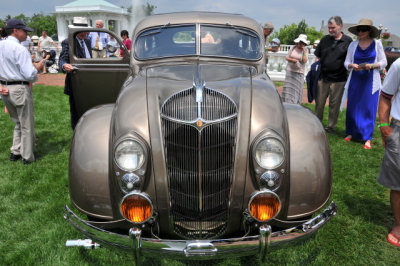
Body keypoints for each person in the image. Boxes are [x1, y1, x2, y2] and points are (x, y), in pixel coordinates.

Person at [0, 19, 44, 164]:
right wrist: (37, 67)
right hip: (19, 87)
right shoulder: (19, 49)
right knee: (26, 124)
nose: (26, 34)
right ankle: (28, 156)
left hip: (5, 88)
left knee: (17, 122)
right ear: (15, 31)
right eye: (24, 30)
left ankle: (16, 152)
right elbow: (29, 74)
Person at [342, 18, 387, 149]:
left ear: (369, 31)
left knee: (368, 108)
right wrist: (351, 65)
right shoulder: (353, 45)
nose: (360, 32)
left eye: (362, 30)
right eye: (358, 30)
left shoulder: (377, 44)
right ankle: (351, 133)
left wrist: (372, 65)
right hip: (355, 79)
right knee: (353, 106)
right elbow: (346, 63)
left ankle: (367, 138)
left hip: (370, 81)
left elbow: (384, 62)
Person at [314, 16, 352, 134]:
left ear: (340, 26)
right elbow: (317, 56)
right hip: (323, 78)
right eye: (329, 28)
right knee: (319, 103)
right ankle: (317, 124)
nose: (330, 30)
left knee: (334, 105)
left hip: (339, 80)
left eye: (333, 28)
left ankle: (331, 127)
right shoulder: (325, 40)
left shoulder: (348, 41)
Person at [377, 57, 400, 247]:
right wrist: (384, 126)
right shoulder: (399, 65)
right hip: (399, 129)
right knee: (398, 182)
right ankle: (399, 225)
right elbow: (385, 95)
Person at [58, 17, 92, 130]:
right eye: (80, 31)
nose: (83, 33)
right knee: (76, 109)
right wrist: (64, 65)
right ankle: (77, 133)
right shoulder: (68, 42)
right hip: (76, 82)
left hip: (88, 81)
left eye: (84, 31)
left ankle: (88, 128)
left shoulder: (87, 41)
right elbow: (62, 59)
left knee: (89, 107)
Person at [281, 34, 309, 104]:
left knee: (296, 89)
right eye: (299, 42)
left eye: (302, 43)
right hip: (290, 71)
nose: (300, 44)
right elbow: (287, 57)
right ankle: (286, 102)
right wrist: (292, 60)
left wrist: (304, 52)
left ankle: (295, 103)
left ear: (304, 44)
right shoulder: (293, 48)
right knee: (288, 89)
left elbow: (304, 61)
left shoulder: (305, 51)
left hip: (299, 73)